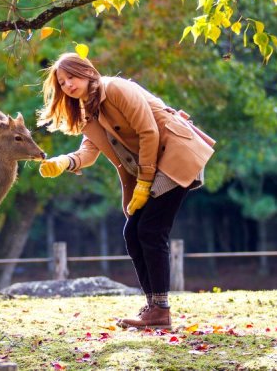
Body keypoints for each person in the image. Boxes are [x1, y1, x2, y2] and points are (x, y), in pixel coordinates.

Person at [36, 52, 216, 330]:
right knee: (133, 233)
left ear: (86, 71)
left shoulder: (114, 88)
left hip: (175, 154)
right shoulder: (88, 110)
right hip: (153, 165)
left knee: (150, 231)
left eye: (71, 76)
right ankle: (154, 307)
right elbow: (90, 150)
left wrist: (144, 183)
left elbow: (149, 132)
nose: (67, 85)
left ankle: (160, 310)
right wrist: (65, 162)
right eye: (61, 82)